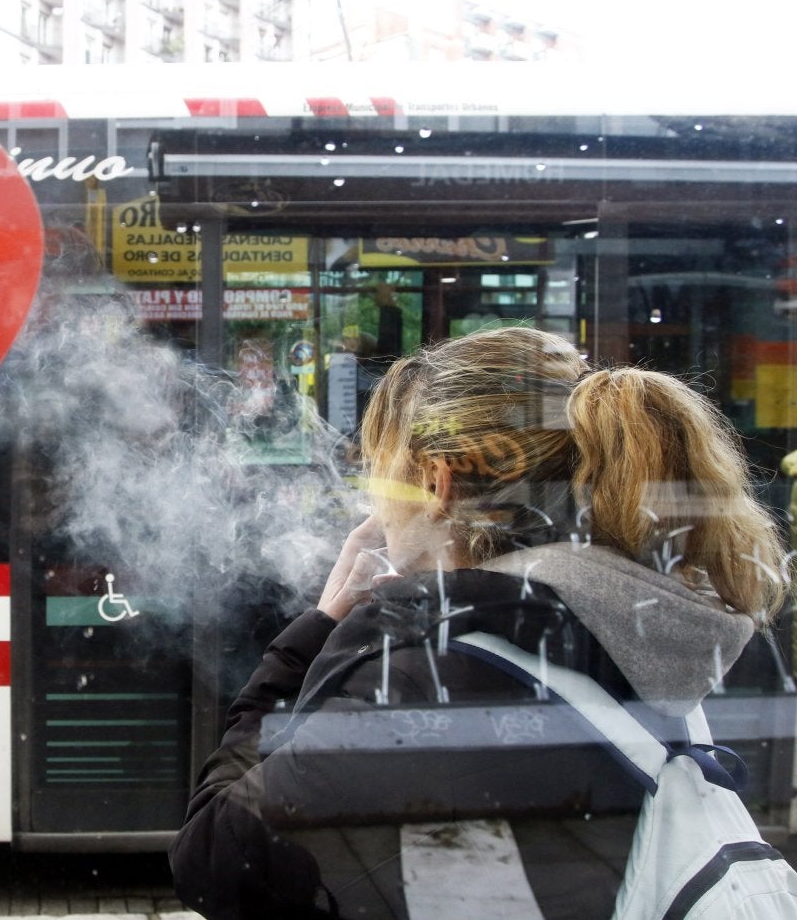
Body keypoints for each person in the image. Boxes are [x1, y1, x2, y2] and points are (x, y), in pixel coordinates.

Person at [169, 326, 788, 919]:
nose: (373, 505)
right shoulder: (634, 625)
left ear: (436, 484)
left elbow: (215, 860)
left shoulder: (423, 679)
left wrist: (318, 631)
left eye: (378, 474)